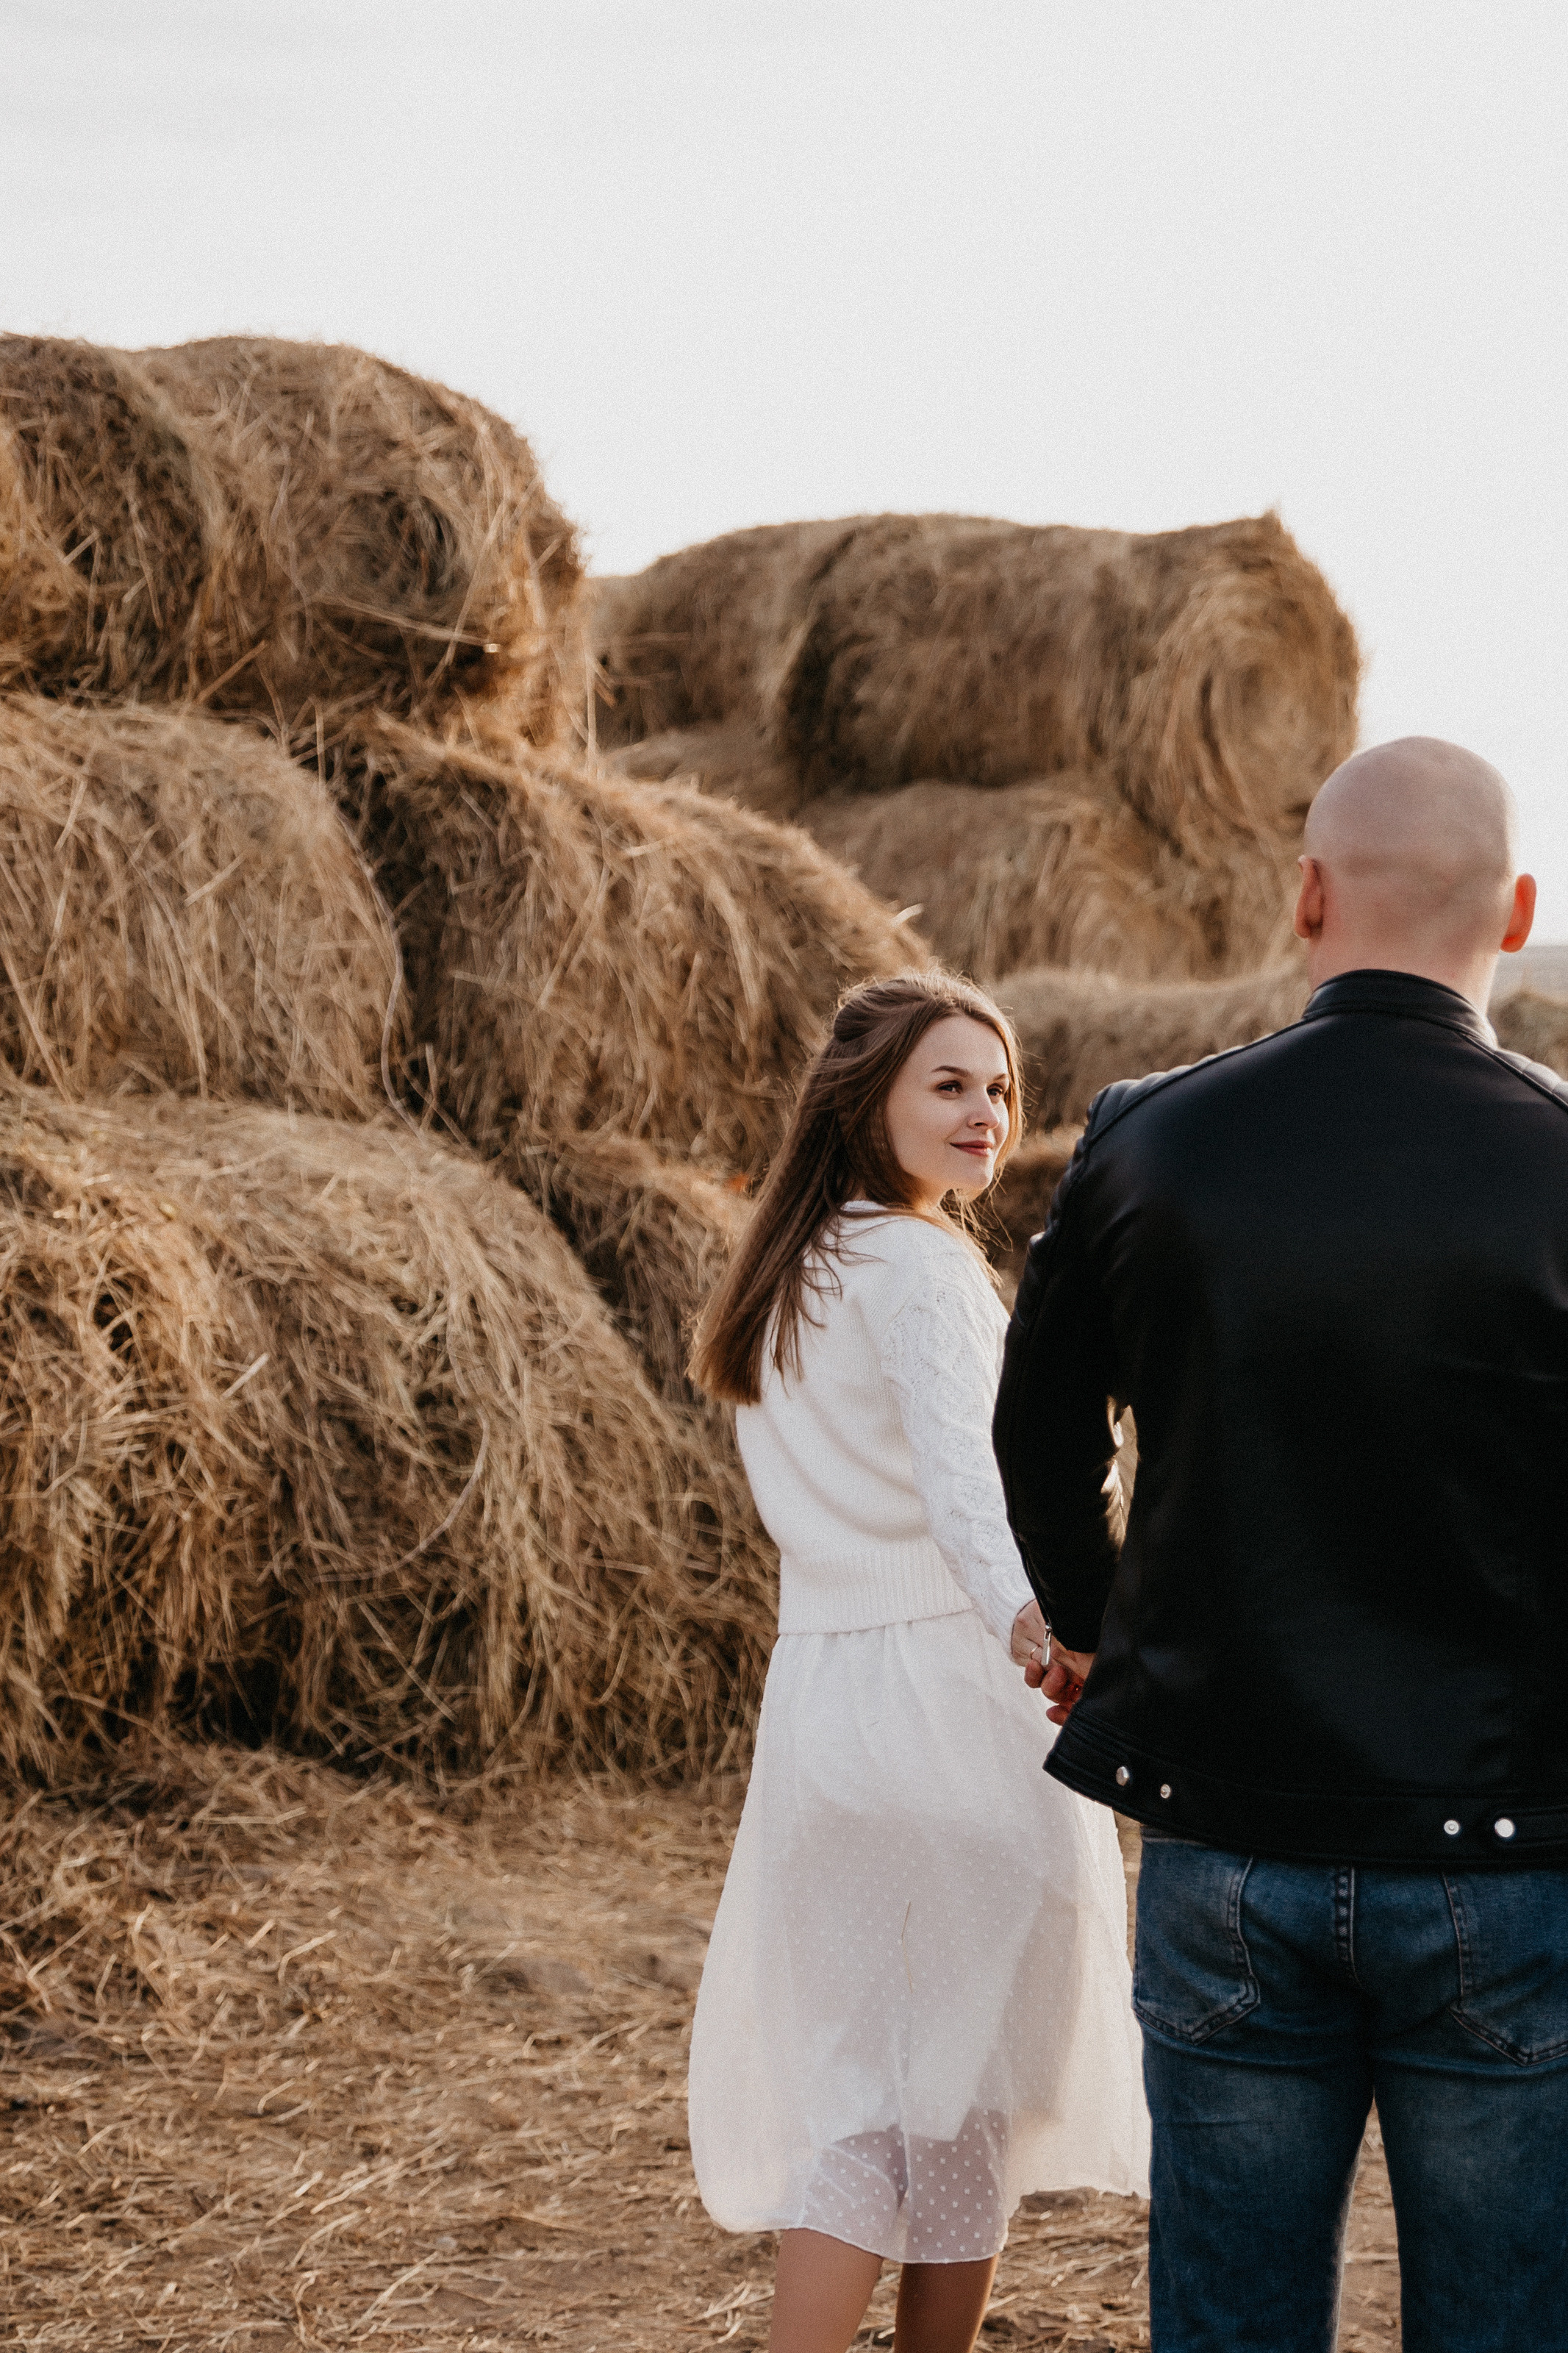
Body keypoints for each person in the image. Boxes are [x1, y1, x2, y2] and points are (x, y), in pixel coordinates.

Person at [994, 736, 1568, 2353]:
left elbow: (1032, 1433)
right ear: (1513, 914)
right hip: (1514, 1852)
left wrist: (1095, 1628)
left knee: (1230, 2324)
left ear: (1304, 894)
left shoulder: (1144, 1139)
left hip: (1221, 1829)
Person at [687, 972, 1147, 2353]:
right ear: (865, 1096)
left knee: (874, 2104)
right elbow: (970, 1483)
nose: (986, 1113)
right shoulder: (924, 1267)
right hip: (952, 1701)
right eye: (948, 1084)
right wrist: (1041, 1626)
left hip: (823, 1707)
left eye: (999, 1087)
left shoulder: (787, 1268)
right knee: (959, 2099)